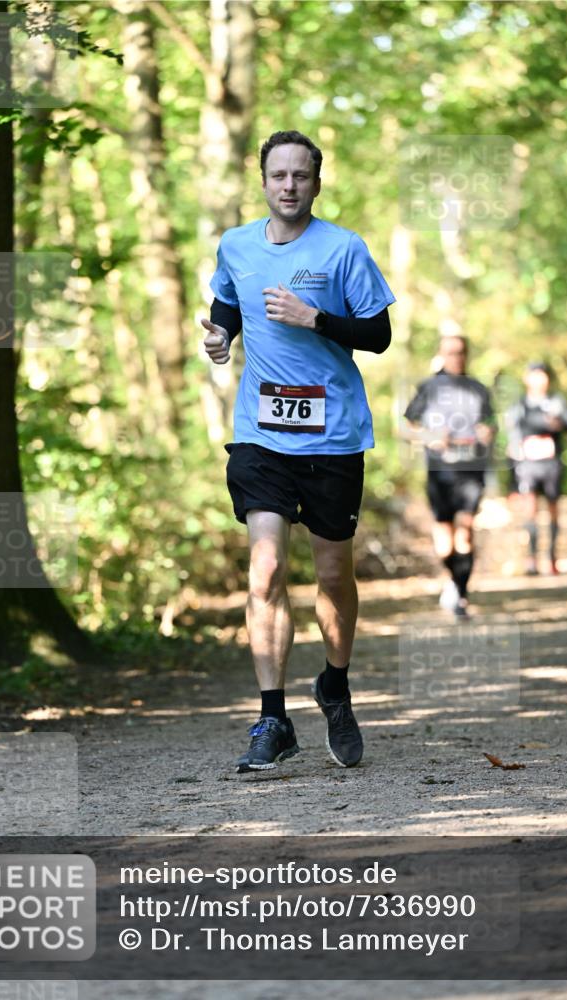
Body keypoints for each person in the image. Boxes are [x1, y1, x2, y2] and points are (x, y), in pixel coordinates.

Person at [201, 130, 395, 773]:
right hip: (261, 434)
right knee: (265, 570)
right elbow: (227, 304)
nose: (289, 185)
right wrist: (221, 338)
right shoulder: (236, 244)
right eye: (278, 175)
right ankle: (272, 717)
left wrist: (315, 318)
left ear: (316, 183)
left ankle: (334, 684)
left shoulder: (344, 248)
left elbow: (379, 334)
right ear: (263, 181)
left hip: (333, 435)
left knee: (333, 576)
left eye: (301, 176)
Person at [403, 335, 495, 618]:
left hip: (471, 470)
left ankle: (460, 596)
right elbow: (406, 427)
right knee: (444, 539)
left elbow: (491, 425)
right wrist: (430, 437)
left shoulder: (478, 389)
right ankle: (454, 583)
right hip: (439, 470)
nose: (457, 357)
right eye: (451, 352)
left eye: (461, 352)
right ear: (441, 355)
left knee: (465, 532)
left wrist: (487, 433)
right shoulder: (429, 388)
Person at [505, 362, 567, 575]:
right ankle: (532, 558)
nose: (539, 380)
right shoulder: (520, 405)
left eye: (542, 375)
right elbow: (512, 435)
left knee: (553, 509)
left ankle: (552, 556)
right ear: (527, 378)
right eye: (535, 375)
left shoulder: (556, 402)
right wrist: (512, 477)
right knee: (530, 511)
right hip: (528, 465)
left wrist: (558, 423)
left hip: (551, 464)